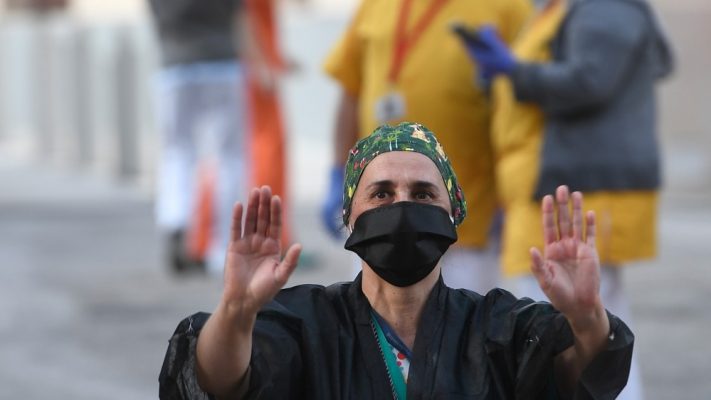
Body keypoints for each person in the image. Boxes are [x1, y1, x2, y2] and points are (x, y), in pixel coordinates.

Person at [159, 122, 633, 399]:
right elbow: (215, 386)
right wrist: (237, 312)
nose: (402, 207)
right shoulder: (305, 324)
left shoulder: (498, 326)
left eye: (423, 193)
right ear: (350, 215)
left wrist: (587, 315)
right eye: (381, 193)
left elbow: (580, 376)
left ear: (453, 217)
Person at [457, 0, 673, 398]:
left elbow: (590, 80)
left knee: (585, 321)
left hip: (584, 188)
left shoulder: (605, 8)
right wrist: (502, 77)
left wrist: (514, 71)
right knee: (579, 318)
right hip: (549, 187)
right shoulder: (556, 9)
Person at [321, 0, 533, 293]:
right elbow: (351, 92)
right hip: (377, 218)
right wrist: (337, 173)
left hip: (464, 226)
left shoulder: (509, 7)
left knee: (464, 334)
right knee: (370, 331)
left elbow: (530, 101)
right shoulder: (375, 5)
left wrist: (512, 196)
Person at [147, 0, 249, 275]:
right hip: (223, 62)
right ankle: (223, 248)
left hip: (174, 64)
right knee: (229, 157)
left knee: (177, 152)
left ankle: (176, 223)